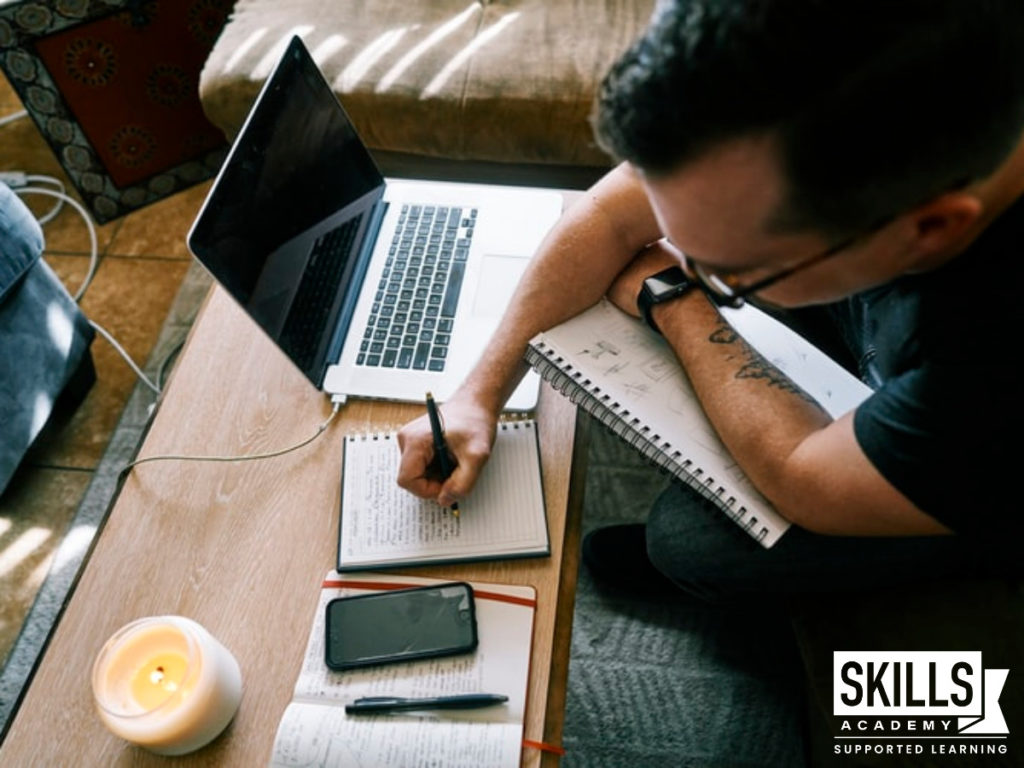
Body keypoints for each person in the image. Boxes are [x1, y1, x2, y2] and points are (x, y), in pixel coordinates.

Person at [396, 0, 1024, 602]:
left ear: (930, 229)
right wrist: (477, 396)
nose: (678, 253)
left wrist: (673, 295)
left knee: (690, 545)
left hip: (980, 461)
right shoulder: (806, 70)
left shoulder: (985, 370)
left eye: (731, 274)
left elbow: (803, 474)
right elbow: (614, 217)